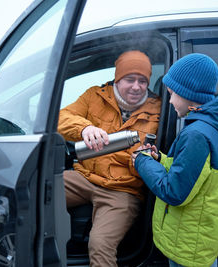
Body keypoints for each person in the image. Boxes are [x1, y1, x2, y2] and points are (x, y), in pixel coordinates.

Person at [132, 53, 218, 267]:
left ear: (187, 92)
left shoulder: (197, 135)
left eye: (172, 94)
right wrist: (160, 159)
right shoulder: (216, 127)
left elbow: (175, 192)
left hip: (187, 243)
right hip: (200, 239)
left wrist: (142, 161)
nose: (169, 101)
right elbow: (196, 175)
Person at [58, 50, 161, 266]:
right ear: (117, 78)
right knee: (38, 191)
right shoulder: (95, 96)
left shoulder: (158, 110)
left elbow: (155, 158)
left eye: (142, 81)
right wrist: (84, 128)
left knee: (100, 244)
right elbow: (60, 117)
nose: (136, 86)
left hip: (124, 189)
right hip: (85, 177)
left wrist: (144, 160)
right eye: (129, 79)